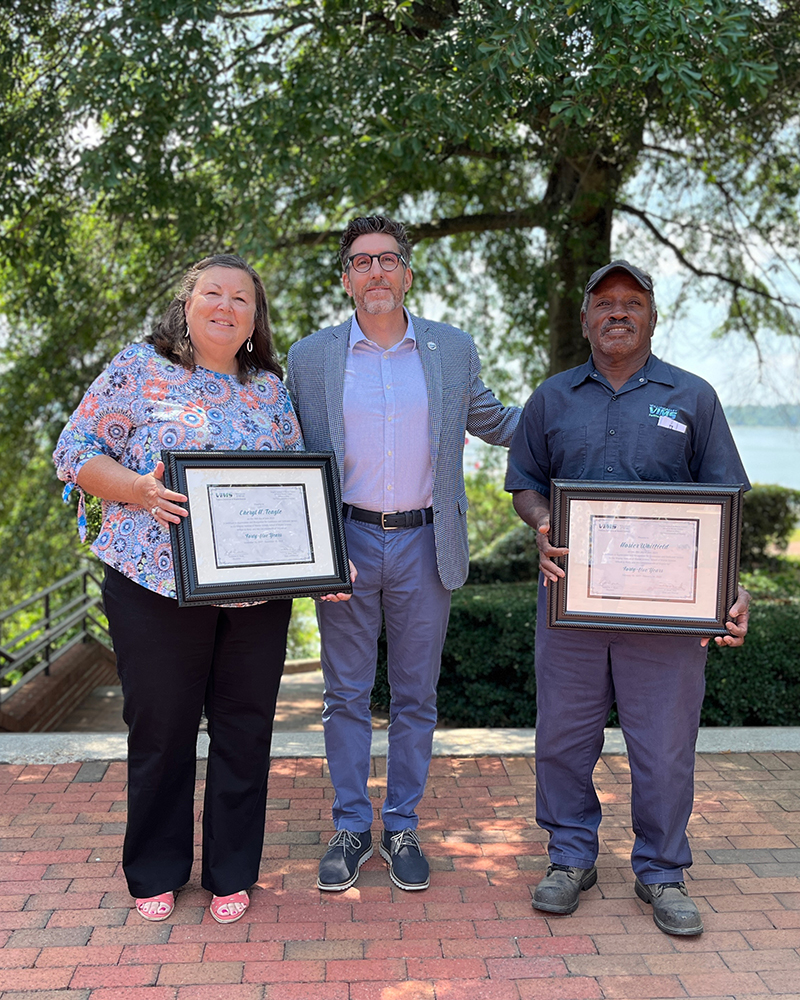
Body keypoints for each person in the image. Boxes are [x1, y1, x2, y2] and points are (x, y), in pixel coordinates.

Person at [53, 254, 349, 924]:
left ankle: (231, 873)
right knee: (161, 727)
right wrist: (135, 488)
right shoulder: (138, 367)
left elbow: (298, 490)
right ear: (186, 305)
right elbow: (74, 450)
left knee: (246, 731)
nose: (225, 305)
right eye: (212, 293)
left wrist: (328, 560)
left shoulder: (270, 389)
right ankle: (155, 869)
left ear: (255, 319)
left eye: (241, 298)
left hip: (256, 596)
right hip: (153, 583)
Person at [505, 260, 750, 936]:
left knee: (665, 746)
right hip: (571, 606)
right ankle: (569, 856)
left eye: (632, 303)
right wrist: (541, 522)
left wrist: (733, 588)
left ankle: (663, 871)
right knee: (561, 739)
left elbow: (725, 504)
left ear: (650, 317)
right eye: (604, 303)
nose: (618, 312)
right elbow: (525, 481)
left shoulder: (693, 397)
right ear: (584, 319)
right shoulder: (551, 399)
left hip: (666, 620)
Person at [286, 215, 520, 892]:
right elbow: (288, 453)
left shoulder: (451, 349)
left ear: (408, 273)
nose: (376, 272)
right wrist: (319, 548)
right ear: (346, 279)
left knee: (416, 696)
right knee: (345, 695)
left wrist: (568, 417)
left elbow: (498, 422)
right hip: (348, 542)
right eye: (361, 262)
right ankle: (351, 827)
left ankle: (404, 826)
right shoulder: (311, 357)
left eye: (388, 259)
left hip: (426, 540)